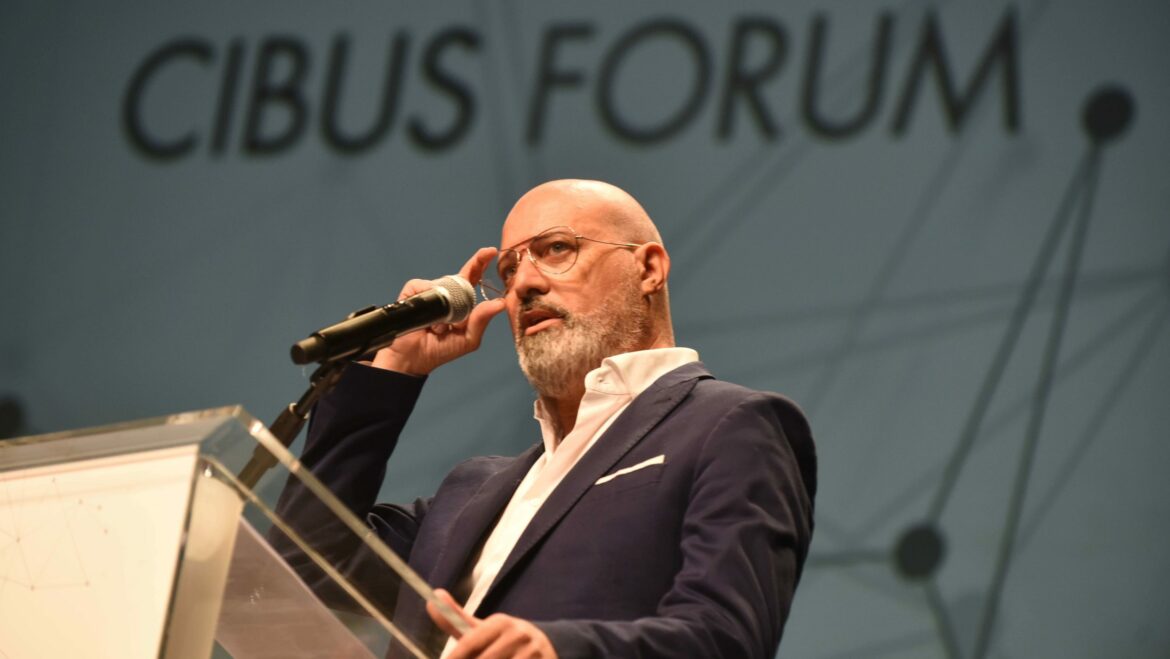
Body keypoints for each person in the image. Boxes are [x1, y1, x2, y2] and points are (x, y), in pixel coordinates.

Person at [283, 179, 816, 658]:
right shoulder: (473, 489)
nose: (523, 284)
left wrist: (557, 650)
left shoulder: (730, 425)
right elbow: (304, 569)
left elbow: (725, 637)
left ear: (649, 269)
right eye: (509, 270)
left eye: (556, 249)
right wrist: (394, 369)